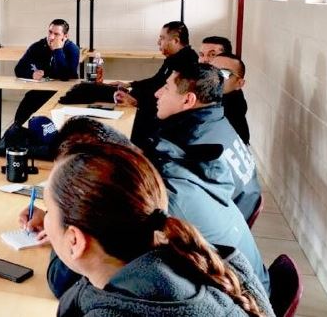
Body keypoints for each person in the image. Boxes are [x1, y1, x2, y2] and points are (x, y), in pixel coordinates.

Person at [19, 117, 270, 298]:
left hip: (239, 293)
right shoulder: (155, 181)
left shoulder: (146, 209)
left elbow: (62, 284)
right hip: (242, 292)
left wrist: (63, 216)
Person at [151, 63, 261, 221]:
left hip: (212, 231)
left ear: (188, 99)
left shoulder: (185, 145)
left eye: (167, 88)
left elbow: (159, 203)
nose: (157, 93)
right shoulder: (218, 121)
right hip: (239, 214)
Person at [114, 21, 198, 142]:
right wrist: (129, 84)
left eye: (162, 38)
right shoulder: (174, 58)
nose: (158, 42)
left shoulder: (187, 63)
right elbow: (156, 81)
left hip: (157, 118)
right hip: (147, 106)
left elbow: (172, 101)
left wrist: (137, 103)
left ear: (175, 40)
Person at [12, 19, 80, 126]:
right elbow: (18, 69)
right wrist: (31, 74)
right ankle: (15, 136)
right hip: (44, 89)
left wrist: (58, 50)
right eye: (50, 32)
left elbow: (66, 76)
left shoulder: (73, 49)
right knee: (23, 110)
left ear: (65, 36)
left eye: (56, 34)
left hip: (65, 92)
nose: (51, 37)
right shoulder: (38, 46)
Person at [212, 53, 250, 145]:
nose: (214, 76)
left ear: (240, 83)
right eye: (211, 70)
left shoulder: (229, 113)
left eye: (224, 73)